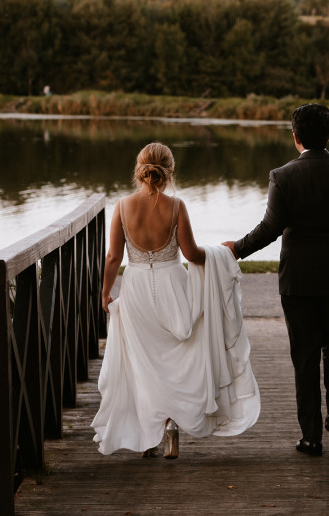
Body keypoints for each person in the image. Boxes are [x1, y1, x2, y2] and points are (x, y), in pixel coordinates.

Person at [92, 142, 260, 459]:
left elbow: (114, 257)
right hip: (173, 286)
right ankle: (171, 425)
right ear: (170, 171)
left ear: (139, 170)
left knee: (145, 363)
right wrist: (222, 253)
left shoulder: (122, 206)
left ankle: (149, 435)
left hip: (137, 288)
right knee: (177, 359)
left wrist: (105, 293)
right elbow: (192, 255)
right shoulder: (177, 206)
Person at [223, 103, 329, 457]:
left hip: (299, 281)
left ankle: (311, 438)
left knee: (305, 354)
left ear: (296, 137)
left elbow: (271, 228)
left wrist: (237, 248)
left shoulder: (283, 175)